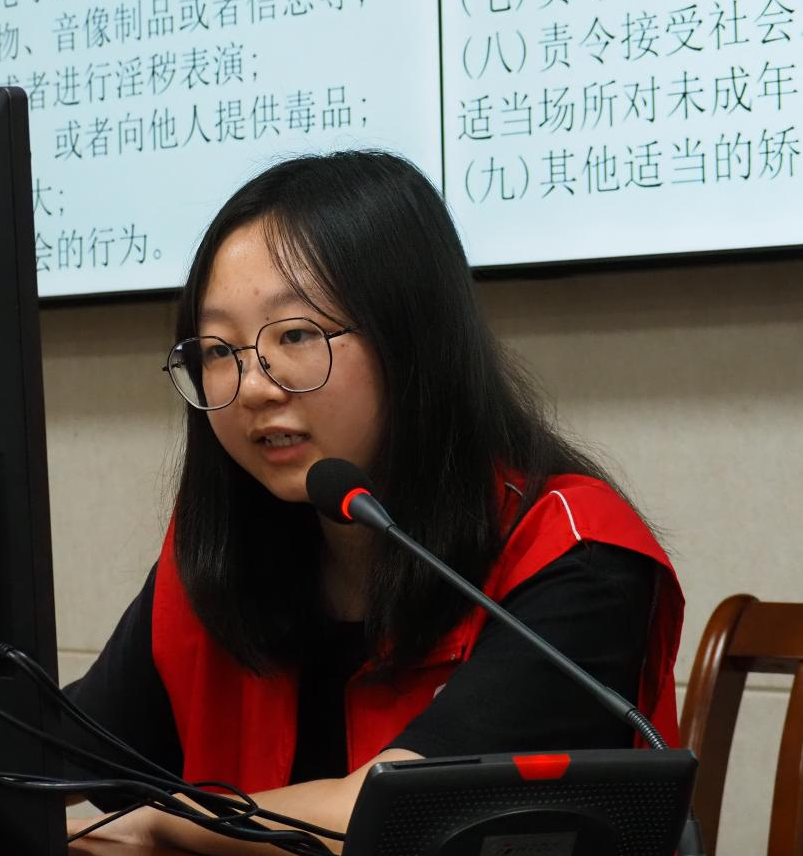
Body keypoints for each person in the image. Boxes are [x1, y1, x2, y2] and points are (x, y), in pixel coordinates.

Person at [64, 151, 683, 853]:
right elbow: (60, 754)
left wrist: (165, 821)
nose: (253, 385)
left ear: (411, 341)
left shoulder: (577, 553)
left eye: (295, 335)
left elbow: (403, 820)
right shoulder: (223, 549)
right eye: (217, 349)